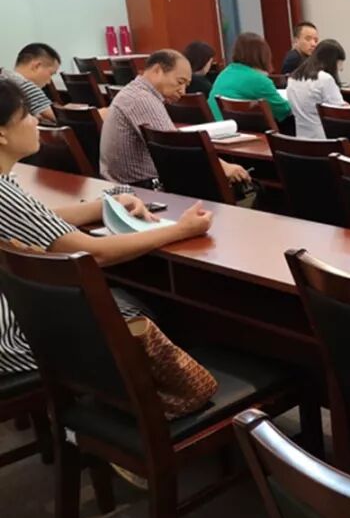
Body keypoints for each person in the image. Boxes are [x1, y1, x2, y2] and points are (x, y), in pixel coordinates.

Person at [0, 77, 213, 377]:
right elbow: (94, 253)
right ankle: (155, 390)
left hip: (21, 319)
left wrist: (105, 205)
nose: (36, 120)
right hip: (18, 342)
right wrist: (181, 229)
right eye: (26, 115)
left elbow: (38, 217)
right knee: (149, 308)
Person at [100, 49, 250, 188]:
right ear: (157, 70)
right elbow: (177, 149)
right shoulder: (142, 99)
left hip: (125, 184)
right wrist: (224, 167)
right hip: (140, 188)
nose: (182, 91)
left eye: (186, 85)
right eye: (180, 82)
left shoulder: (134, 91)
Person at [208, 32, 293, 125]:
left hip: (216, 126)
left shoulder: (225, 72)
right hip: (239, 129)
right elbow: (284, 110)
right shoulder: (259, 80)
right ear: (264, 54)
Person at [286, 39, 349, 139]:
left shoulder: (293, 78)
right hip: (323, 138)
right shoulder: (325, 79)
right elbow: (340, 112)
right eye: (339, 63)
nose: (341, 69)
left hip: (300, 138)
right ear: (332, 61)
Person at [0, 43, 60, 124]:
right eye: (51, 73)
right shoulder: (26, 86)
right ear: (37, 66)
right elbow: (56, 120)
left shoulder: (4, 76)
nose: (49, 81)